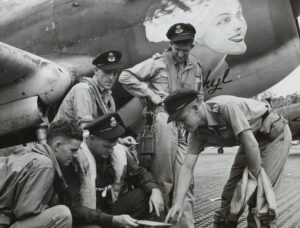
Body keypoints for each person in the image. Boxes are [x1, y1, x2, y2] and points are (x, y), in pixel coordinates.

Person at [164, 88, 291, 228]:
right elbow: (187, 167)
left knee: (260, 199)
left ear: (195, 108)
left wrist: (252, 182)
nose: (181, 126)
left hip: (271, 134)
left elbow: (251, 145)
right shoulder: (197, 133)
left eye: (182, 119)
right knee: (228, 201)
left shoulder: (224, 108)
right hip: (250, 139)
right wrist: (178, 203)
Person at [119, 23, 203, 228]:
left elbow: (200, 96)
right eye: (177, 49)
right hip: (164, 122)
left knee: (186, 181)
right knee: (163, 181)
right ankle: (160, 224)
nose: (181, 53)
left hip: (186, 127)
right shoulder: (157, 63)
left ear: (192, 46)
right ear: (171, 44)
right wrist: (151, 95)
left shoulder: (196, 66)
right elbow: (125, 76)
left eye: (185, 49)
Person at [53, 49, 135, 208]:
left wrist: (120, 140)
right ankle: (89, 213)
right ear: (96, 71)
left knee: (122, 154)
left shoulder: (108, 96)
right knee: (88, 166)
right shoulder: (84, 89)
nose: (111, 77)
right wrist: (78, 153)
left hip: (85, 137)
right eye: (107, 72)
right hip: (65, 140)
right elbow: (85, 129)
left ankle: (113, 203)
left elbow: (107, 128)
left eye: (115, 73)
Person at [57, 113, 164, 228]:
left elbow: (139, 173)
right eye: (106, 146)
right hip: (86, 217)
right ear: (91, 138)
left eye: (113, 146)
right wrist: (111, 220)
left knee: (148, 196)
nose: (111, 150)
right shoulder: (74, 157)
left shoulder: (117, 152)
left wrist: (155, 190)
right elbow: (74, 209)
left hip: (109, 210)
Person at [143, 0, 247, 95]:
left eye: (238, 14)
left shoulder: (222, 70)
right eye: (224, 20)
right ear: (197, 33)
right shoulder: (165, 84)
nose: (239, 25)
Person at [0, 120, 83, 228]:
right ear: (57, 146)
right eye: (73, 150)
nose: (76, 155)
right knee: (62, 215)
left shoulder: (33, 152)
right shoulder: (45, 164)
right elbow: (24, 212)